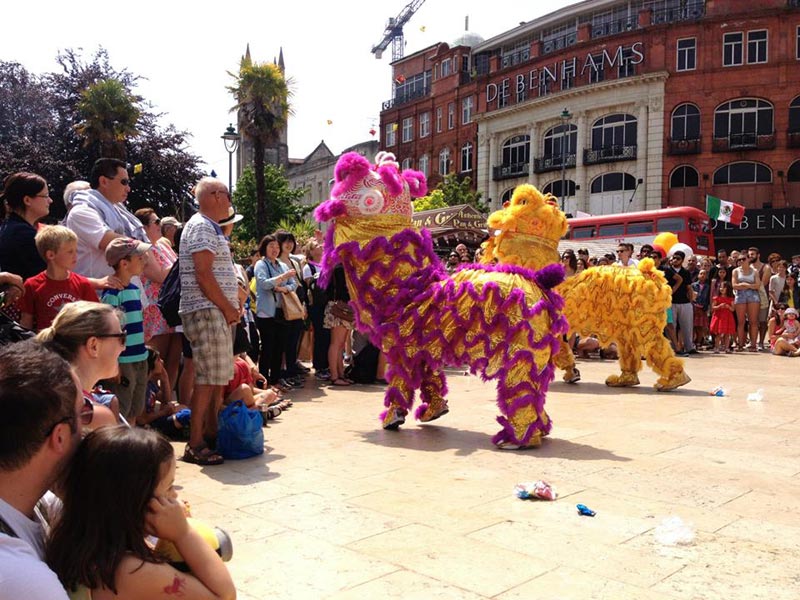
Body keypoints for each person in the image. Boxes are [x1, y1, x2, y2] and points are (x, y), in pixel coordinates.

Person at [45, 427, 236, 600]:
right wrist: (184, 533)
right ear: (135, 501)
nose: (175, 496)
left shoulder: (81, 544)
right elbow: (224, 596)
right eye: (169, 488)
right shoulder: (132, 571)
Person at [0, 341, 87, 600]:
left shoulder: (31, 500)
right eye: (83, 413)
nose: (87, 430)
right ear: (60, 437)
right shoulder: (22, 579)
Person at [178, 178, 240, 466]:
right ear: (215, 196)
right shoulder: (202, 226)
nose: (229, 199)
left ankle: (210, 435)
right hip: (207, 310)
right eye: (227, 194)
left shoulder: (208, 226)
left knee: (215, 378)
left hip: (213, 311)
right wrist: (227, 307)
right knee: (206, 379)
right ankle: (195, 443)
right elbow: (203, 274)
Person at [36, 301, 123, 425]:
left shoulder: (46, 393)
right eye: (121, 338)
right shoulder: (94, 416)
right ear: (93, 346)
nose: (123, 347)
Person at [65, 158, 150, 280]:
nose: (128, 188)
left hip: (122, 287)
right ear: (104, 181)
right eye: (124, 182)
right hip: (99, 290)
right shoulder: (81, 212)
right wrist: (141, 247)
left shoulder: (117, 210)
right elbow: (113, 243)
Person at [99, 237, 151, 425]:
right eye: (139, 258)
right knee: (122, 406)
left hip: (139, 356)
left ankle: (131, 438)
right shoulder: (112, 294)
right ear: (124, 263)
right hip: (123, 360)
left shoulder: (134, 289)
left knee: (136, 406)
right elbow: (109, 331)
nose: (144, 261)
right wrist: (113, 363)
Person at [134, 208, 180, 394]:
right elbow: (159, 274)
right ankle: (146, 399)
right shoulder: (143, 249)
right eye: (156, 222)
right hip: (155, 309)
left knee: (172, 358)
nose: (160, 225)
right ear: (144, 227)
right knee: (154, 361)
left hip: (171, 307)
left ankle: (166, 398)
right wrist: (182, 263)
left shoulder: (163, 246)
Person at [19, 226, 99, 331]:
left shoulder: (83, 284)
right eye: (70, 251)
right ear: (51, 255)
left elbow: (96, 319)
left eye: (76, 251)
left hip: (75, 340)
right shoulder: (32, 285)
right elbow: (26, 322)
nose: (75, 256)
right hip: (45, 340)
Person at [253, 234, 296, 390]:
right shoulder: (261, 264)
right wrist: (283, 277)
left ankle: (276, 381)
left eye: (277, 247)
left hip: (282, 312)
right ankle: (264, 383)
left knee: (279, 348)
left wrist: (284, 288)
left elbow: (293, 284)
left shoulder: (282, 265)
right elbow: (263, 283)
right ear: (264, 248)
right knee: (267, 349)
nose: (275, 249)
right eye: (271, 246)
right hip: (266, 313)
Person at [0, 172, 51, 282]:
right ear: (27, 200)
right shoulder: (23, 234)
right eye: (45, 196)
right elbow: (48, 277)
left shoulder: (11, 227)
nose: (50, 201)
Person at [302, 239, 330, 380]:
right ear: (311, 251)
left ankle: (327, 364)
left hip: (327, 304)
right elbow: (311, 288)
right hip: (316, 306)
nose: (321, 247)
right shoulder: (308, 268)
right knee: (320, 335)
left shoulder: (326, 265)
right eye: (317, 246)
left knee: (328, 335)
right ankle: (319, 366)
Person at [325, 263, 354, 387]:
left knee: (341, 344)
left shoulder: (341, 266)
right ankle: (334, 376)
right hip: (340, 308)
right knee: (336, 344)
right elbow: (343, 290)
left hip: (342, 308)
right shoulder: (340, 268)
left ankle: (340, 374)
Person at [664, 250, 694, 355]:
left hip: (684, 302)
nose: (675, 260)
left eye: (678, 258)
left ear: (682, 260)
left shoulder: (685, 272)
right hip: (670, 302)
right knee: (671, 326)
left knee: (687, 326)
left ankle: (689, 347)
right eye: (674, 258)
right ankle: (673, 348)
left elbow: (689, 288)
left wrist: (691, 301)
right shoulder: (667, 270)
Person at [732, 253, 761, 352]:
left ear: (748, 259)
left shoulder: (755, 271)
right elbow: (734, 285)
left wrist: (745, 285)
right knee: (741, 322)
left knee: (753, 322)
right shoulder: (735, 271)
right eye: (739, 260)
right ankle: (740, 344)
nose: (741, 261)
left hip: (753, 296)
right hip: (740, 296)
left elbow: (758, 285)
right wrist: (750, 285)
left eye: (743, 259)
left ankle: (753, 345)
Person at [710, 281, 735, 353]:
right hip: (719, 318)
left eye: (724, 287)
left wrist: (728, 307)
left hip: (727, 318)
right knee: (718, 333)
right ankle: (716, 347)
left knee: (727, 334)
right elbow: (713, 307)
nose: (722, 289)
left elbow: (733, 309)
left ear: (728, 289)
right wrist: (719, 306)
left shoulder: (731, 299)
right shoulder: (716, 298)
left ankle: (727, 348)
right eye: (720, 287)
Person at [691, 268, 711, 349]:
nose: (702, 275)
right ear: (698, 275)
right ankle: (692, 342)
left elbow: (708, 298)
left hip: (703, 309)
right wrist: (694, 305)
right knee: (693, 326)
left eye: (704, 274)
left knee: (700, 327)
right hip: (694, 308)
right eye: (701, 273)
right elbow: (691, 296)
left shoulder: (708, 287)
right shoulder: (693, 285)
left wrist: (705, 307)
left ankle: (699, 343)